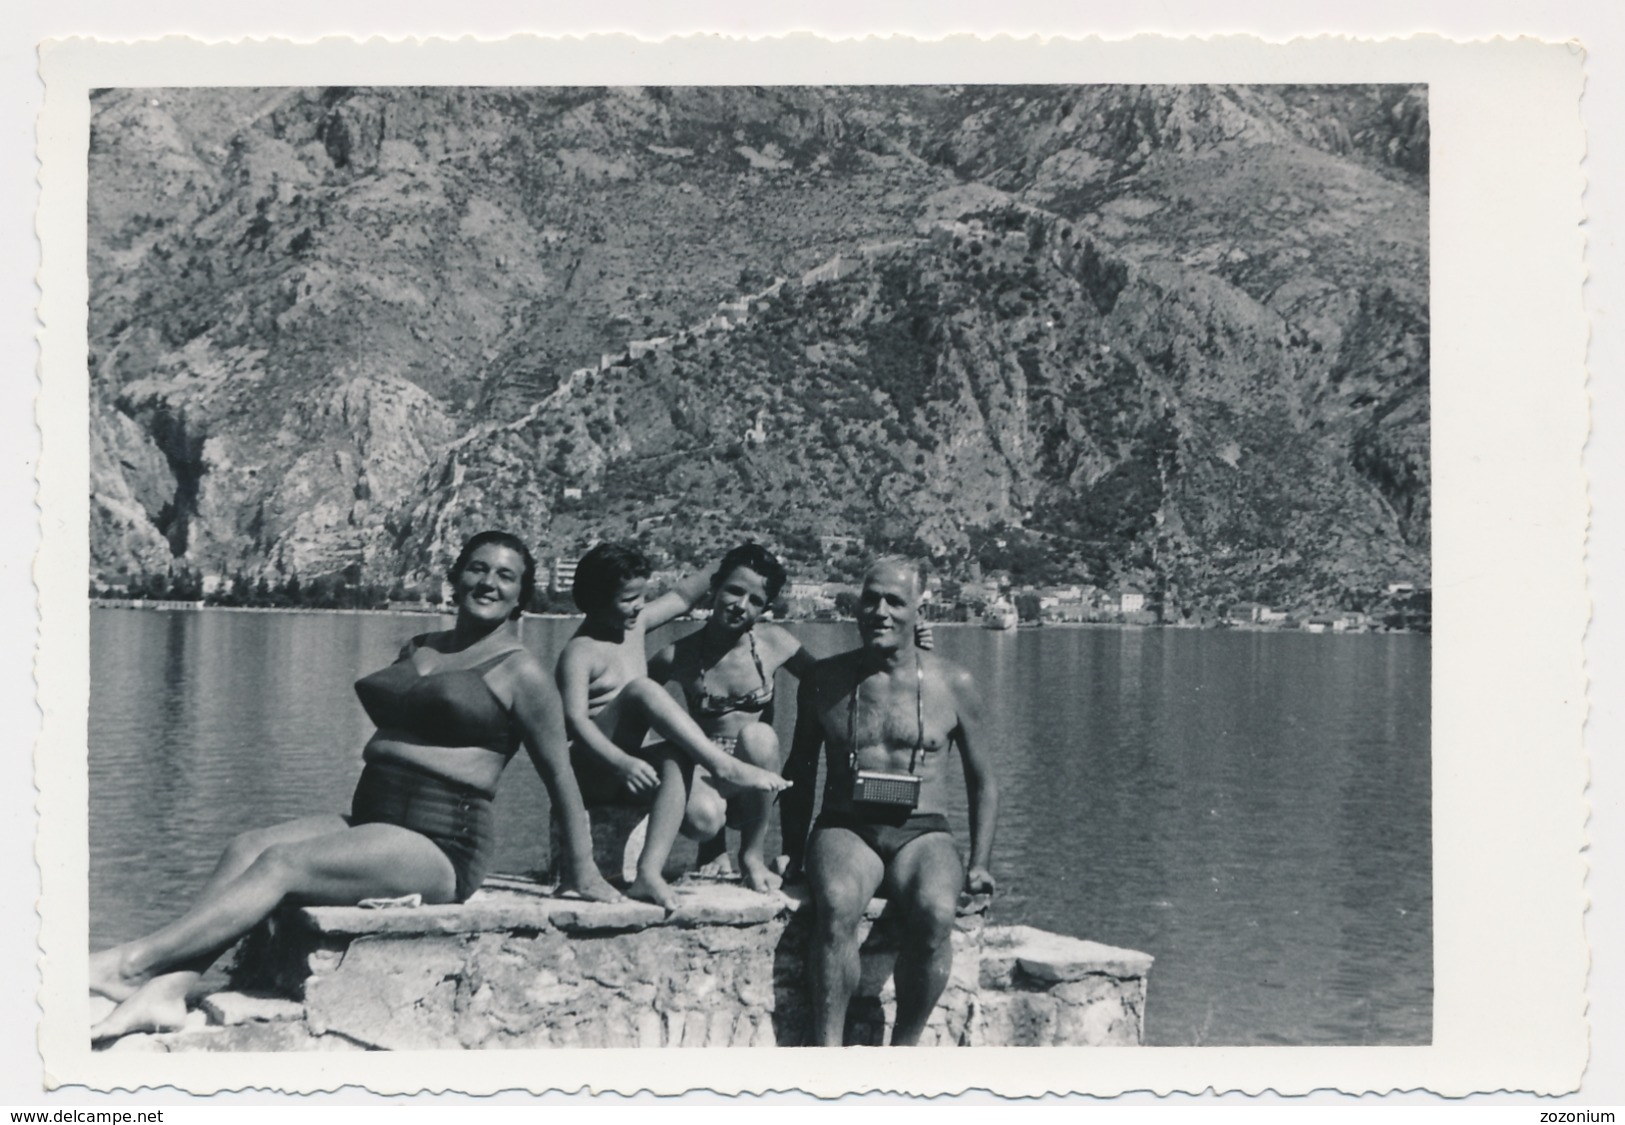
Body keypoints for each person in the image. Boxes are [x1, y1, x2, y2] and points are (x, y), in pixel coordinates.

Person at [87, 530, 622, 1043]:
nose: (489, 582)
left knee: (282, 865)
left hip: (442, 843)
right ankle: (171, 990)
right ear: (455, 577)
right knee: (247, 846)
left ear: (520, 597)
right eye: (478, 568)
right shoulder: (419, 645)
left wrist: (583, 872)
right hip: (374, 818)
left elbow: (560, 773)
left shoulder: (522, 672)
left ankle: (134, 964)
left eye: (506, 577)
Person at [780, 557, 998, 1047]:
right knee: (835, 905)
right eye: (870, 598)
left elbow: (983, 782)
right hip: (846, 828)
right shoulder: (824, 680)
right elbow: (800, 770)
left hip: (922, 832)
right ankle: (828, 1056)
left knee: (937, 912)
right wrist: (794, 848)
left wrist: (981, 863)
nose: (880, 611)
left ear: (920, 610)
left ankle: (903, 1055)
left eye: (895, 601)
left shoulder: (953, 684)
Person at [648, 542, 935, 894]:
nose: (740, 606)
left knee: (759, 736)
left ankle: (751, 856)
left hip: (757, 774)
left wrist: (909, 653)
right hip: (706, 774)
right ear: (715, 590)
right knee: (705, 817)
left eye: (755, 601)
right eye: (734, 592)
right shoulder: (676, 655)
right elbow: (636, 705)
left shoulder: (774, 643)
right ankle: (713, 849)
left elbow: (832, 684)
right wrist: (662, 758)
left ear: (765, 609)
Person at [555, 542, 790, 913]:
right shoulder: (579, 651)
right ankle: (722, 764)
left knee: (704, 813)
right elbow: (574, 723)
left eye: (643, 598)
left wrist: (739, 557)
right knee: (643, 691)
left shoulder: (634, 625)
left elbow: (683, 594)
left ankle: (649, 873)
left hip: (630, 764)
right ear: (596, 599)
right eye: (629, 599)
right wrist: (620, 762)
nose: (639, 607)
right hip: (595, 766)